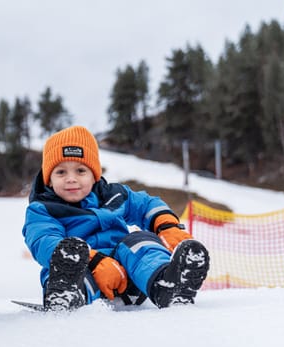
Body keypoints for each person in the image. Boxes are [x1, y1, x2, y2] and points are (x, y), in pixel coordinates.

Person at [22, 125, 210, 311]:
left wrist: (167, 226)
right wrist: (94, 261)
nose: (71, 179)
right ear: (48, 178)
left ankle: (166, 284)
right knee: (68, 257)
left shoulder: (114, 196)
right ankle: (68, 297)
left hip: (127, 276)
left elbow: (147, 204)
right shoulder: (43, 209)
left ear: (94, 174)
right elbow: (44, 241)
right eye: (61, 172)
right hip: (84, 271)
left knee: (140, 242)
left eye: (80, 171)